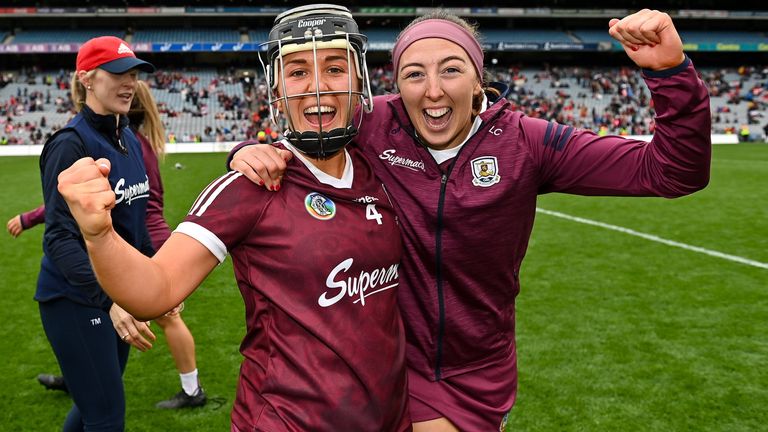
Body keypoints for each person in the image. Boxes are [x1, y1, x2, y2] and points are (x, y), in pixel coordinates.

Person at [229, 8, 711, 431]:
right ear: (396, 85)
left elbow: (673, 173)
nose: (433, 91)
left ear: (478, 78)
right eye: (414, 74)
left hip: (486, 366)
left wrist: (670, 74)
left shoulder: (529, 142)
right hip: (401, 365)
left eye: (451, 70)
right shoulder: (374, 125)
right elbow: (307, 138)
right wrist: (249, 150)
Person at [58, 5, 409, 431]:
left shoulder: (391, 171)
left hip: (391, 419)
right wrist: (99, 236)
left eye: (335, 68)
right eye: (297, 72)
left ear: (360, 78)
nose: (317, 87)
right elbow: (156, 290)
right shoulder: (249, 188)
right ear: (276, 86)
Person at [38, 35, 157, 431]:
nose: (130, 82)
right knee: (106, 415)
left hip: (117, 295)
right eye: (118, 72)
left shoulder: (128, 140)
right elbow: (58, 238)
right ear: (87, 79)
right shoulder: (69, 145)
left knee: (95, 404)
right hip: (76, 299)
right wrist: (110, 301)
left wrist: (157, 282)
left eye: (135, 73)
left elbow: (135, 226)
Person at [127, 80, 207, 409]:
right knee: (95, 306)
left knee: (168, 317)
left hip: (148, 241)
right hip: (153, 238)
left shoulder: (128, 142)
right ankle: (79, 375)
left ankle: (192, 391)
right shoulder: (140, 141)